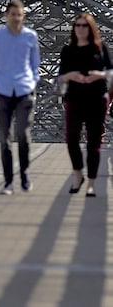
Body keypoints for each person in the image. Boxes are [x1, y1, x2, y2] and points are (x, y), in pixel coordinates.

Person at [0, 0, 40, 195]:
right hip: (3, 90)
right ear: (6, 15)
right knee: (5, 137)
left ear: (23, 16)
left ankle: (24, 174)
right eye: (13, 14)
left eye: (19, 15)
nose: (16, 18)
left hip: (24, 90)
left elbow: (35, 65)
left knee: (23, 135)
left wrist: (32, 83)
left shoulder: (31, 37)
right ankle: (8, 182)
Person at [58, 12, 113, 197]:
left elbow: (110, 73)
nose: (81, 29)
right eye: (78, 25)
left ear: (91, 28)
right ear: (74, 29)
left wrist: (98, 75)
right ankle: (78, 174)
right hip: (74, 98)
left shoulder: (100, 48)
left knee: (93, 144)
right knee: (71, 139)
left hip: (96, 99)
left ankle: (90, 183)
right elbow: (60, 77)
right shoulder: (68, 50)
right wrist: (71, 76)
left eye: (85, 26)